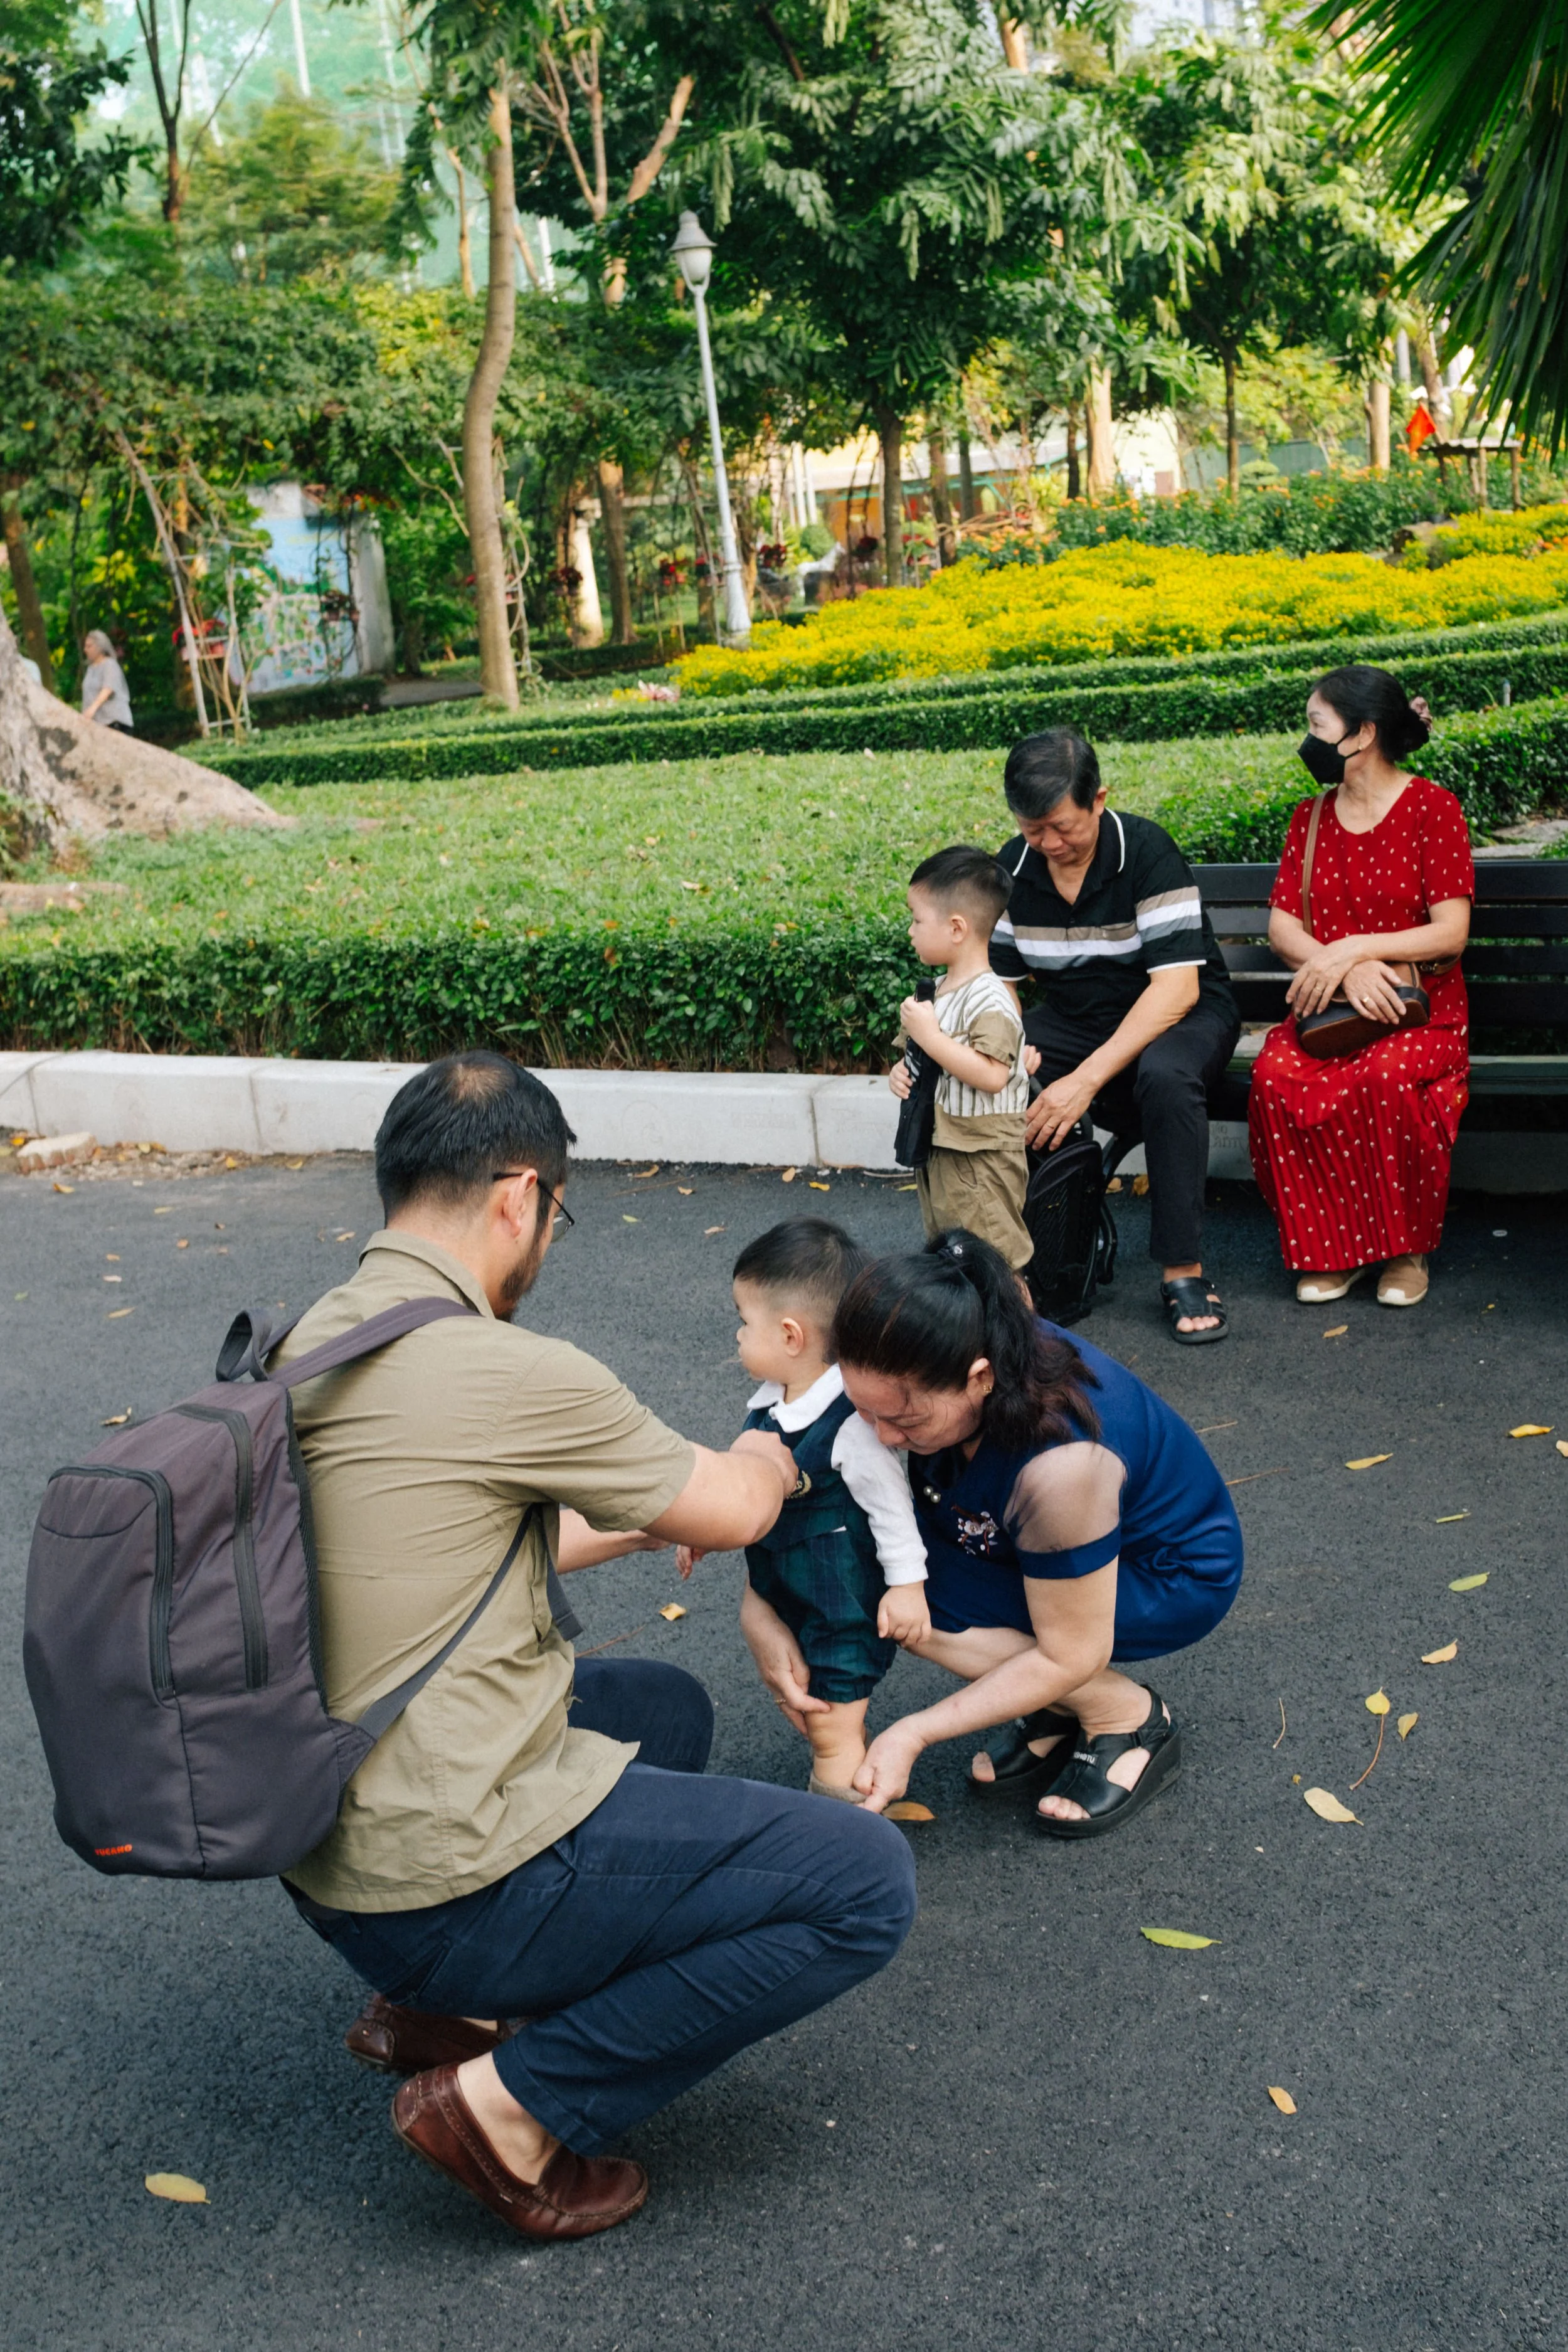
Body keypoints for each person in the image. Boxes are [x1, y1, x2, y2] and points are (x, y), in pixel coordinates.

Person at [274, 1052, 915, 2243]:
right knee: (861, 1884)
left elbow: (451, 1543)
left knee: (661, 1710)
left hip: (319, 1838)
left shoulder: (307, 1340)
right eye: (557, 1214)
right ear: (519, 1196)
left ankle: (428, 2010)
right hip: (441, 1876)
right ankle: (509, 2108)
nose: (550, 1239)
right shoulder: (510, 1369)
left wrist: (632, 1528)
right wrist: (780, 1447)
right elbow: (737, 1504)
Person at [738, 1232, 1243, 1839]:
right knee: (872, 1567)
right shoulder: (948, 1340)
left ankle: (1125, 1715)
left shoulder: (1062, 1468)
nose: (881, 1438)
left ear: (979, 1378)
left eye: (903, 1420)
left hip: (1159, 1576)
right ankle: (1052, 1705)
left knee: (888, 1594)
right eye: (861, 1410)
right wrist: (760, 1607)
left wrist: (914, 1730)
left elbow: (1071, 1651)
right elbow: (815, 1507)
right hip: (1024, 1535)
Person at [988, 729, 1241, 1345]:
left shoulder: (1146, 850)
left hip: (1182, 1012)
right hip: (1078, 1016)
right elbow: (999, 984)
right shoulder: (1013, 867)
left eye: (1061, 827)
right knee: (990, 1067)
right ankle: (1028, 1258)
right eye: (1032, 830)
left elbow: (1176, 991)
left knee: (1165, 1074)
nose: (1048, 844)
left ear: (1098, 799)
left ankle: (1183, 1270)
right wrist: (1007, 1045)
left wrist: (1085, 1080)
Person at [678, 1219, 930, 1800]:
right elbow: (744, 1487)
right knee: (821, 1712)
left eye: (744, 1323)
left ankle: (843, 1826)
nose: (738, 1337)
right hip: (792, 1588)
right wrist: (707, 1530)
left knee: (830, 1726)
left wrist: (908, 1586)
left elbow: (894, 1508)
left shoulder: (850, 1425)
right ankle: (848, 1795)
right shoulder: (773, 1403)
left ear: (791, 1336)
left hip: (842, 1603)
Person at [1248, 665, 1473, 1310]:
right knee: (1275, 1077)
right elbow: (1282, 925)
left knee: (1385, 1078)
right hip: (1335, 1010)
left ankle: (1404, 1250)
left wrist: (1359, 948)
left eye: (1318, 725)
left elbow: (1449, 933)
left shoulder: (1433, 808)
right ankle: (1331, 1253)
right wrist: (1342, 967)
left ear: (1362, 733)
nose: (1308, 739)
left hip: (1417, 1014)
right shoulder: (1309, 818)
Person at [891, 844, 1032, 1271]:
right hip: (940, 1147)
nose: (911, 931)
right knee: (951, 1257)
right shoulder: (935, 990)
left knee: (997, 1262)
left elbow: (992, 1075)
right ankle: (973, 1339)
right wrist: (901, 1072)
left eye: (917, 920)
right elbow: (922, 1059)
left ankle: (1023, 1335)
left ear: (956, 928)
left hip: (980, 1157)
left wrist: (931, 1036)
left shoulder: (991, 997)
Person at [80, 630, 134, 733]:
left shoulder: (110, 665)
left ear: (100, 647)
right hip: (97, 725)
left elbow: (108, 689)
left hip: (114, 723)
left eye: (89, 646)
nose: (85, 650)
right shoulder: (90, 669)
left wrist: (92, 709)